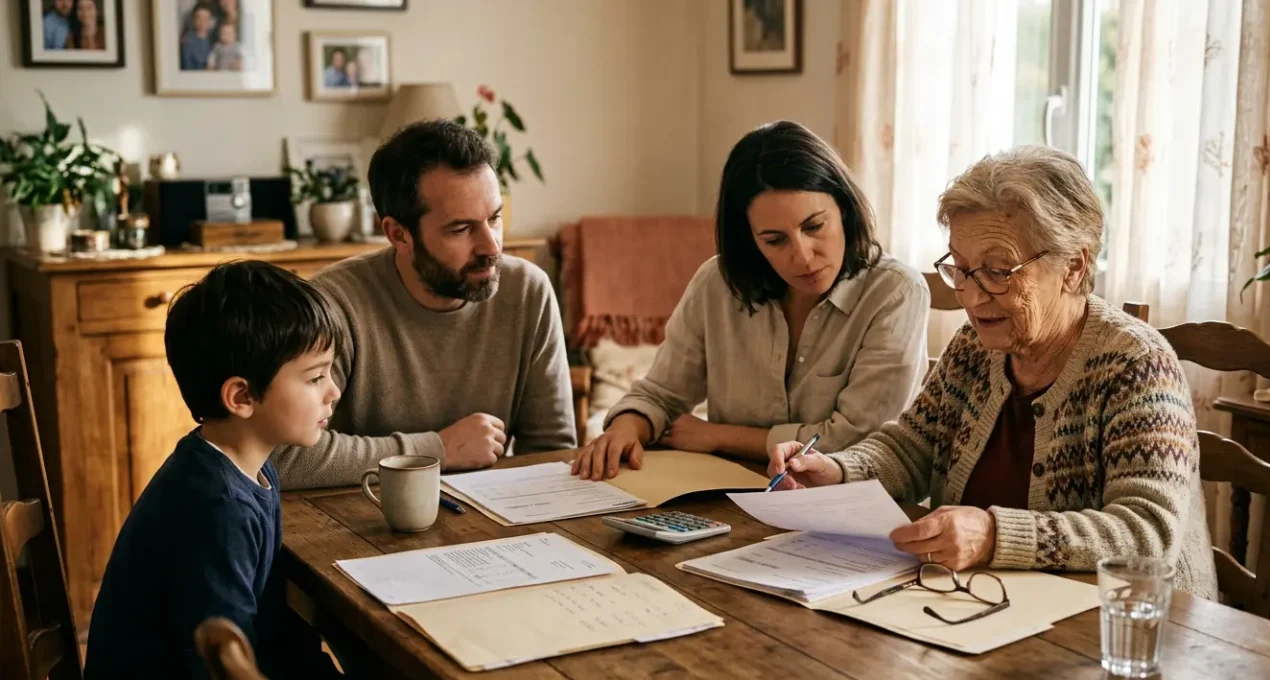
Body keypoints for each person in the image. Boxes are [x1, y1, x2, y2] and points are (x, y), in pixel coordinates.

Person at [766, 146, 1217, 600]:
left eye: (999, 271)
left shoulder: (1137, 365)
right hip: (985, 604)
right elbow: (911, 448)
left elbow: (1147, 533)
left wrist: (994, 534)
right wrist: (838, 471)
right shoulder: (974, 347)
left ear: (1073, 267)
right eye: (961, 270)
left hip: (1133, 628)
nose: (973, 297)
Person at [572, 120, 929, 481]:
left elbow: (859, 444)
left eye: (814, 227)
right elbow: (662, 394)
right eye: (775, 240)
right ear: (751, 241)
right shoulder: (717, 283)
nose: (803, 256)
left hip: (842, 508)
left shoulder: (896, 292)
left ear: (845, 211)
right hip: (727, 497)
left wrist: (719, 437)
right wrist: (625, 428)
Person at [270, 119, 576, 489]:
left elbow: (551, 454)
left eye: (494, 218)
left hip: (486, 523)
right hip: (356, 522)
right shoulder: (332, 304)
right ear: (398, 234)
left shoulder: (528, 291)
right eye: (461, 230)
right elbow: (282, 458)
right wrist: (438, 449)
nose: (492, 247)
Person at [83, 261, 346, 679]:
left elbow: (270, 625)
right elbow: (220, 665)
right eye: (315, 378)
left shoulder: (252, 471)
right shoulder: (217, 508)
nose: (333, 391)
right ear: (241, 396)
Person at [180, 4, 213, 71]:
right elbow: (187, 67)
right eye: (199, 18)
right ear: (194, 20)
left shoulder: (214, 38)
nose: (202, 23)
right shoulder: (188, 40)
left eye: (206, 19)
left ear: (210, 22)